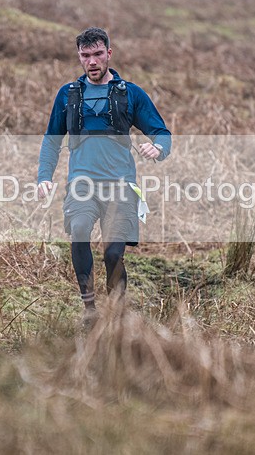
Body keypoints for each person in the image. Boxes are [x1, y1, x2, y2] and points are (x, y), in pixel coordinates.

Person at [37, 27, 171, 324]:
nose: (92, 61)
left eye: (98, 54)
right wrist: (44, 176)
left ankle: (116, 311)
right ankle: (89, 309)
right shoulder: (67, 95)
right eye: (86, 56)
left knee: (113, 254)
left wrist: (158, 148)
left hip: (121, 186)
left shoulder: (130, 94)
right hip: (82, 184)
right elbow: (51, 140)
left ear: (109, 53)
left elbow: (162, 133)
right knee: (81, 230)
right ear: (79, 58)